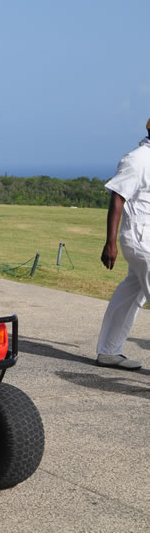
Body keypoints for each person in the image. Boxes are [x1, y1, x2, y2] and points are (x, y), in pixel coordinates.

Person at [94, 119, 150, 371]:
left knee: (131, 295)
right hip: (140, 239)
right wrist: (110, 243)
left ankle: (108, 352)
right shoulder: (137, 159)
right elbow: (118, 197)